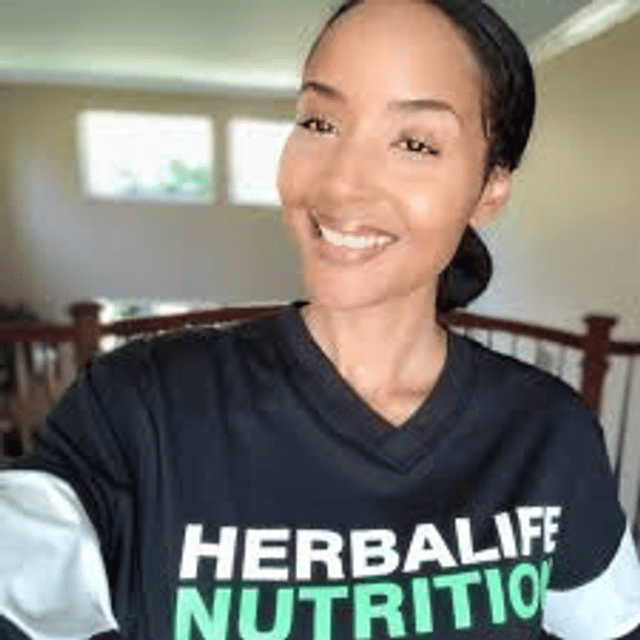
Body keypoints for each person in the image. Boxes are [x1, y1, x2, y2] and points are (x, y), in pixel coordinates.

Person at [2, 0, 640, 638]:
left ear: (490, 189)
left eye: (414, 143)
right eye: (319, 122)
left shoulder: (547, 434)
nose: (341, 186)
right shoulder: (139, 405)